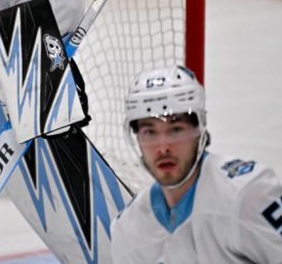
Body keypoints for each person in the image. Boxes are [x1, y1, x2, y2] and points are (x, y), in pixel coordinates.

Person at [111, 65, 282, 263]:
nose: (163, 147)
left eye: (176, 129)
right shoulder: (129, 229)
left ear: (199, 131)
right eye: (150, 132)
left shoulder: (248, 195)